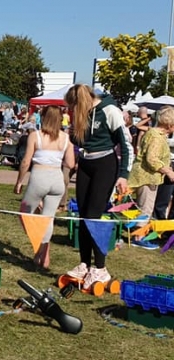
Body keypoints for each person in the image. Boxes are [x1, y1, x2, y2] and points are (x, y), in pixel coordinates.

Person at [63, 84, 129, 288]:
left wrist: (123, 175)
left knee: (93, 216)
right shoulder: (84, 115)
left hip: (105, 165)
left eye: (73, 106)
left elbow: (126, 144)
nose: (72, 111)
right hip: (86, 163)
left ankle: (100, 268)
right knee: (83, 215)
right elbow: (81, 140)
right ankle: (84, 263)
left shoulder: (109, 111)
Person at [14, 106, 75, 268]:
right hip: (57, 180)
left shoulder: (35, 136)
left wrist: (19, 181)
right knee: (48, 218)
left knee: (24, 214)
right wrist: (57, 158)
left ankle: (39, 248)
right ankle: (44, 256)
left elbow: (26, 161)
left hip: (39, 177)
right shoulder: (65, 138)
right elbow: (71, 163)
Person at [127, 107, 174, 217]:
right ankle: (139, 234)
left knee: (145, 209)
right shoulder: (156, 136)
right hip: (147, 178)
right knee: (145, 211)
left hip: (148, 177)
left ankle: (140, 232)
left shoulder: (155, 134)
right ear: (170, 125)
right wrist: (168, 172)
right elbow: (151, 159)